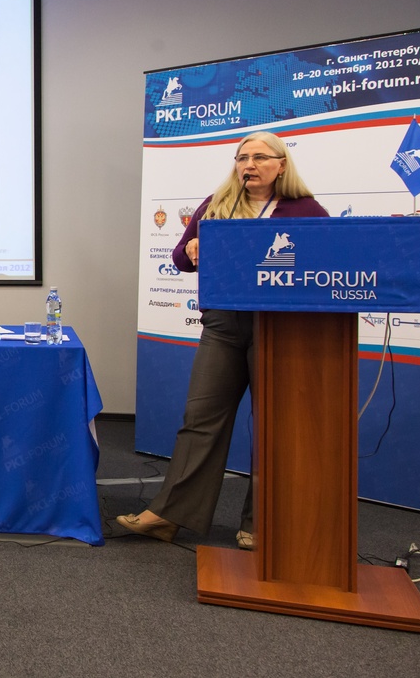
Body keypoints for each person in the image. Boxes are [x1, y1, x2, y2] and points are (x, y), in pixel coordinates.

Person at [117, 131, 328, 549]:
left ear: (281, 165)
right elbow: (179, 258)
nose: (249, 165)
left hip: (278, 328)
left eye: (260, 157)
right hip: (223, 325)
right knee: (200, 420)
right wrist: (193, 247)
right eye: (242, 157)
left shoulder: (305, 209)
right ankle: (169, 514)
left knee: (272, 426)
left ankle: (262, 522)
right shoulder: (218, 204)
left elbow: (324, 259)